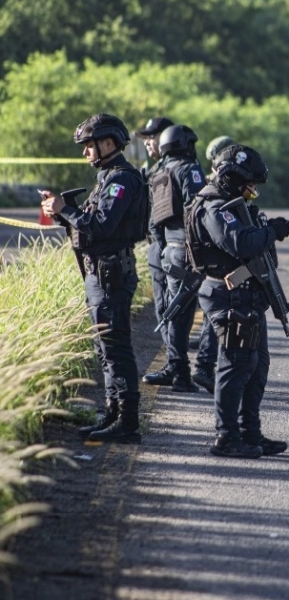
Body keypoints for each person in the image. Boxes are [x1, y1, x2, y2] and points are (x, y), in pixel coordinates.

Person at [40, 113, 145, 443]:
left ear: (109, 143)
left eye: (89, 145)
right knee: (104, 348)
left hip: (111, 275)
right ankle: (113, 413)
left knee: (116, 349)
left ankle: (127, 423)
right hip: (100, 273)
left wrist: (65, 209)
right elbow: (88, 224)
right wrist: (63, 214)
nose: (85, 152)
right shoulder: (108, 176)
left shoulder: (121, 180)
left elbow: (100, 225)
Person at [186, 144, 289, 458]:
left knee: (256, 367)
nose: (253, 189)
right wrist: (272, 231)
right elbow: (239, 243)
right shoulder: (214, 205)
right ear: (233, 177)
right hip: (228, 294)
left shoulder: (231, 204)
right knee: (235, 367)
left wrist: (270, 229)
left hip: (245, 296)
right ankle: (226, 437)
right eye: (250, 183)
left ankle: (250, 433)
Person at [141, 124, 206, 391]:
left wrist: (164, 247)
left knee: (172, 309)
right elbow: (199, 210)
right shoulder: (188, 169)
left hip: (166, 249)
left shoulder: (159, 172)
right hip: (186, 249)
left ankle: (174, 367)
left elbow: (154, 220)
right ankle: (180, 373)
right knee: (181, 311)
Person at [188, 135, 238, 392]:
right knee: (217, 314)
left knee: (211, 315)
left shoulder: (211, 186)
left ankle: (205, 367)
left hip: (209, 264)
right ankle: (206, 367)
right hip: (220, 266)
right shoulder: (219, 189)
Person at [134, 116, 174, 349]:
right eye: (146, 138)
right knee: (162, 305)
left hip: (171, 246)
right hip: (156, 246)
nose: (148, 142)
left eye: (152, 137)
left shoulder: (176, 168)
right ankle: (173, 361)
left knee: (173, 307)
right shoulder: (155, 169)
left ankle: (179, 366)